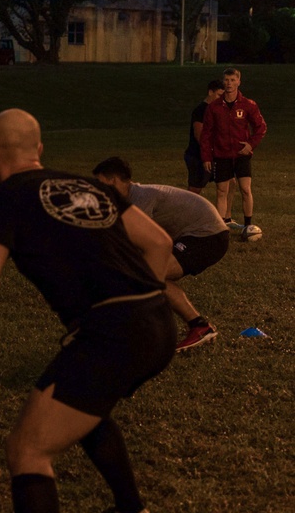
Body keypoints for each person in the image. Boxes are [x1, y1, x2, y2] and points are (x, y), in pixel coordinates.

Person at [0, 109, 176, 513]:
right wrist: (136, 302)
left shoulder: (3, 200)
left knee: (27, 448)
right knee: (85, 407)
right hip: (158, 322)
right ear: (38, 149)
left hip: (114, 332)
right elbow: (160, 244)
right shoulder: (88, 185)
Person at [93, 156, 228, 353]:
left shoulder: (141, 199)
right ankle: (198, 326)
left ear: (113, 180)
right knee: (150, 275)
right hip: (198, 235)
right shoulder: (128, 199)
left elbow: (131, 243)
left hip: (207, 236)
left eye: (100, 184)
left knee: (146, 274)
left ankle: (140, 335)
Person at [199, 66, 267, 240]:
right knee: (221, 191)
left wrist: (250, 145)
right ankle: (221, 229)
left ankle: (248, 225)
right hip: (221, 156)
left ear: (239, 82)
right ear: (223, 82)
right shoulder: (214, 107)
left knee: (245, 189)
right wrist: (206, 156)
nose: (229, 84)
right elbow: (206, 134)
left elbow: (261, 127)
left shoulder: (248, 105)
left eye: (232, 80)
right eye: (226, 80)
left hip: (241, 156)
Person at [184, 78, 224, 194]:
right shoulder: (201, 110)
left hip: (213, 155)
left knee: (228, 183)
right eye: (218, 95)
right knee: (195, 189)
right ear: (210, 92)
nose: (221, 99)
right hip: (197, 155)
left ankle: (226, 212)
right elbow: (199, 135)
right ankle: (185, 209)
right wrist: (209, 151)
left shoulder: (217, 110)